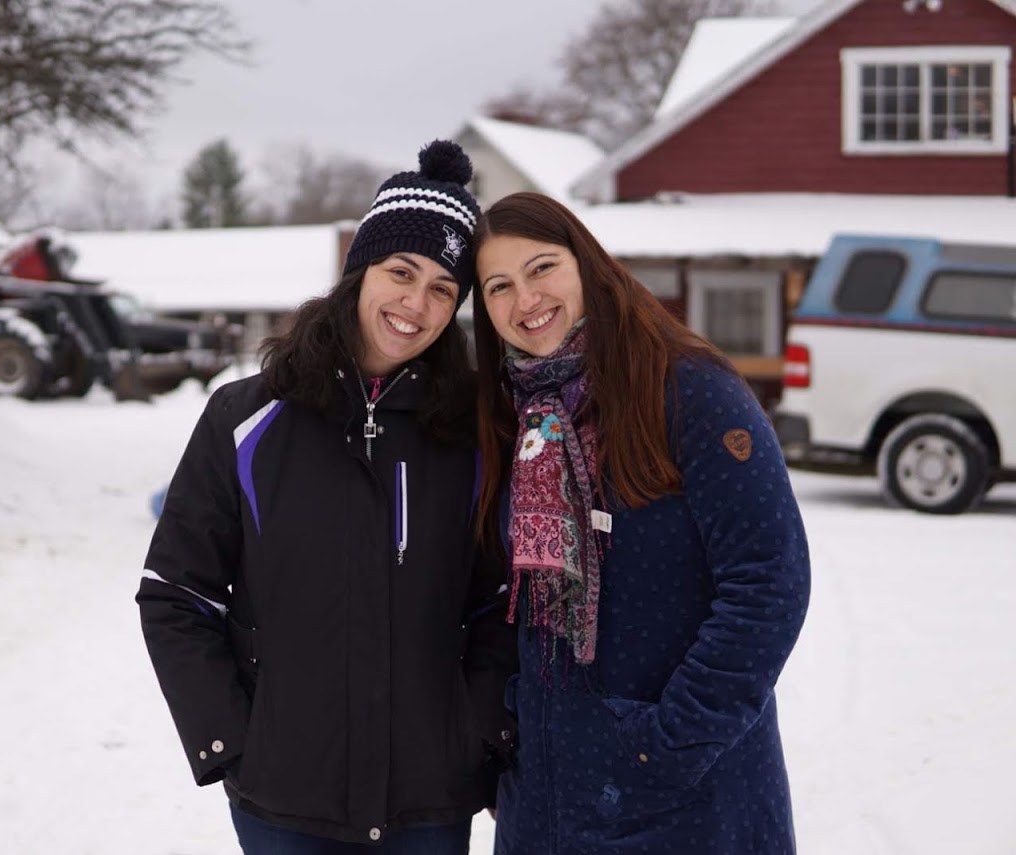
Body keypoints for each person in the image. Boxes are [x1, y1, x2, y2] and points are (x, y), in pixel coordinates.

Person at [136, 140, 517, 853]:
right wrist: (234, 744)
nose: (417, 302)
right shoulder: (246, 419)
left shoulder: (473, 437)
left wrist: (474, 732)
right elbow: (174, 592)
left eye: (443, 287)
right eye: (402, 272)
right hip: (283, 801)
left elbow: (500, 602)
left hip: (428, 804)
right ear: (359, 272)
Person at [470, 192, 810, 854]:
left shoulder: (688, 388)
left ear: (586, 263)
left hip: (686, 794)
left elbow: (770, 581)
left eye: (542, 268)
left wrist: (668, 745)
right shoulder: (512, 416)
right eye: (499, 285)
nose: (525, 298)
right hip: (546, 799)